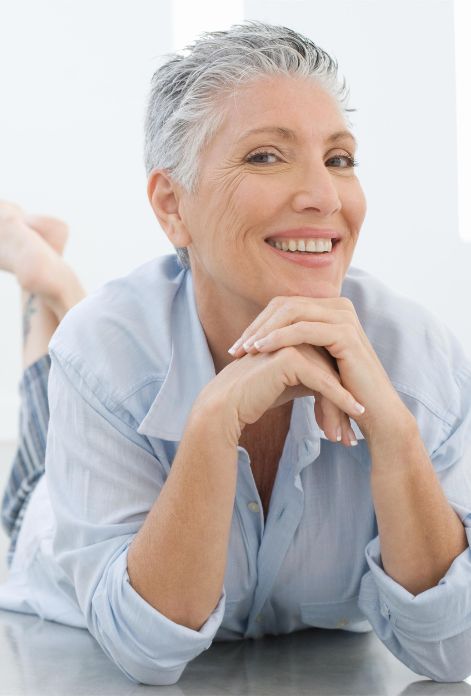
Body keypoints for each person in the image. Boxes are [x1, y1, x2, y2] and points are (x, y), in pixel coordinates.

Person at [1, 20, 471, 687]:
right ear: (172, 207)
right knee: (30, 462)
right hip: (49, 511)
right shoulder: (104, 352)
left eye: (338, 159)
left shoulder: (420, 364)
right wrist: (212, 422)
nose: (323, 196)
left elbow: (454, 653)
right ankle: (44, 281)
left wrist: (394, 434)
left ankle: (49, 278)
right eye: (265, 156)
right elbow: (146, 650)